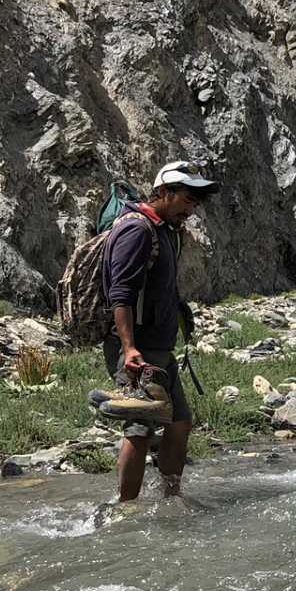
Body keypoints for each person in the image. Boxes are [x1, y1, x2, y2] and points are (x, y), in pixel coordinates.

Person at [92, 161, 217, 501]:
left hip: (160, 347)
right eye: (187, 200)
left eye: (195, 203)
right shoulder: (137, 230)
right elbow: (121, 293)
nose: (191, 210)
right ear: (164, 192)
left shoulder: (164, 229)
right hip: (138, 348)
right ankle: (125, 508)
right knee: (140, 428)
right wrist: (130, 349)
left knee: (179, 423)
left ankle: (171, 498)